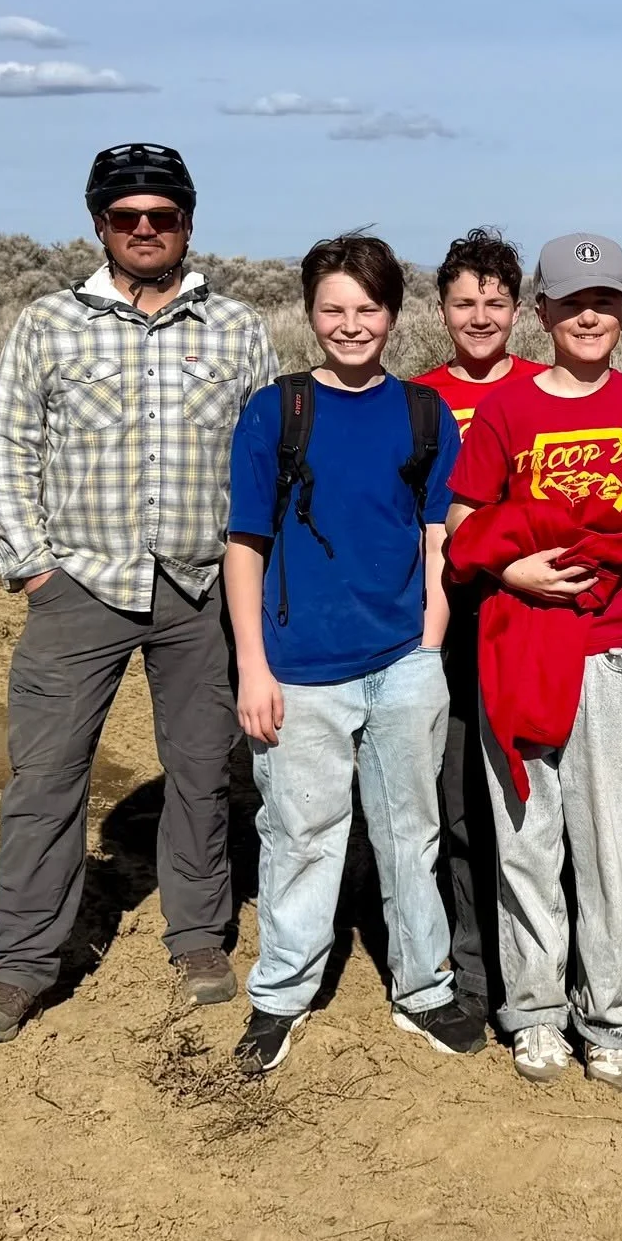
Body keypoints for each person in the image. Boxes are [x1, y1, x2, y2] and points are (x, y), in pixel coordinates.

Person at [0, 143, 277, 1043]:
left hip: (200, 586)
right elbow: (7, 443)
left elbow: (261, 465)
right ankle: (22, 962)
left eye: (162, 215)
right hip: (80, 586)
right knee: (45, 780)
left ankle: (199, 935)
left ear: (187, 220)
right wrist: (32, 563)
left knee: (203, 774)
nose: (146, 230)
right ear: (99, 223)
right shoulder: (47, 322)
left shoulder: (238, 329)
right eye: (127, 216)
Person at [446, 235, 622, 1093]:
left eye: (604, 300)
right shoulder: (508, 412)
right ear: (545, 314)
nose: (590, 316)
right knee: (526, 834)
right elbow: (461, 521)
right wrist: (510, 567)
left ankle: (608, 1018)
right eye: (572, 303)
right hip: (521, 646)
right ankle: (535, 1014)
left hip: (611, 655)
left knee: (607, 844)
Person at [224, 232, 485, 1075]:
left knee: (411, 832)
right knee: (302, 834)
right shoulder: (278, 410)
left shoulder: (421, 412)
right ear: (310, 313)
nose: (350, 324)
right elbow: (245, 546)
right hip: (300, 673)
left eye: (367, 308)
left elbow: (440, 531)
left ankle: (424, 986)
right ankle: (281, 995)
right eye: (333, 308)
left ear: (392, 314)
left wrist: (432, 641)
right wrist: (254, 668)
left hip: (404, 661)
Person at [411, 228, 539, 1028]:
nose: (481, 315)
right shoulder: (419, 398)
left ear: (519, 309)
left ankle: (536, 964)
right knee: (457, 798)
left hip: (531, 621)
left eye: (495, 301)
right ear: (443, 309)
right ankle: (471, 969)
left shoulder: (545, 385)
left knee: (529, 801)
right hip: (449, 621)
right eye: (466, 301)